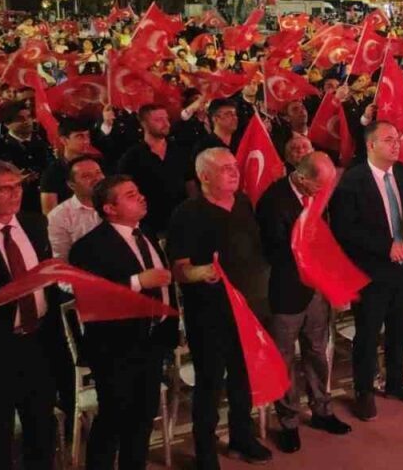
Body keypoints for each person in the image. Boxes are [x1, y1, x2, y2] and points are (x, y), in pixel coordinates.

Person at [166, 148, 273, 468]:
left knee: (243, 378)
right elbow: (178, 269)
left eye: (235, 167)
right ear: (205, 176)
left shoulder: (243, 203)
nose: (234, 172)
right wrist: (201, 272)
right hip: (210, 313)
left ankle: (242, 437)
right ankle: (205, 450)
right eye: (225, 168)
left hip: (250, 308)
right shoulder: (187, 213)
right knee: (210, 382)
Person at [68, 175, 177, 470]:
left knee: (143, 419)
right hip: (115, 347)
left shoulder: (147, 233)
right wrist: (137, 281)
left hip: (152, 340)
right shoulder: (88, 247)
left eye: (138, 191)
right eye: (130, 195)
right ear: (110, 209)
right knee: (114, 420)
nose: (141, 197)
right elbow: (90, 296)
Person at [256, 152, 352, 453]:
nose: (322, 192)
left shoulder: (316, 196)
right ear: (301, 177)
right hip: (286, 292)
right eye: (318, 185)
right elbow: (275, 252)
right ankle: (288, 422)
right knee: (284, 359)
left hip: (315, 291)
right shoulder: (274, 201)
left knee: (317, 351)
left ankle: (321, 409)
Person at [329, 121, 403, 420]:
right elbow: (345, 229)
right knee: (368, 333)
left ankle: (396, 381)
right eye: (388, 140)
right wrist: (385, 246)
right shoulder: (352, 181)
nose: (396, 145)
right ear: (371, 145)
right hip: (370, 271)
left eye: (397, 139)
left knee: (401, 327)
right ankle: (364, 391)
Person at [0, 160, 60, 470]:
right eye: (4, 188)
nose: (14, 193)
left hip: (39, 340)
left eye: (18, 185)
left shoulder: (35, 224)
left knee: (40, 426)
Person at [117, 104, 192, 242]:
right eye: (158, 120)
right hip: (151, 226)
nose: (166, 124)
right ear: (144, 124)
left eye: (166, 119)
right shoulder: (131, 157)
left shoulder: (180, 150)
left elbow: (190, 182)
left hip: (184, 220)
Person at [0, 101, 52, 216]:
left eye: (29, 117)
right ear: (7, 124)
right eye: (19, 118)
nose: (26, 121)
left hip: (43, 203)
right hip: (14, 206)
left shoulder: (44, 142)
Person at [45, 155, 104, 261]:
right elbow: (61, 260)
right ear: (71, 185)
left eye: (98, 173)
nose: (97, 179)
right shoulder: (58, 216)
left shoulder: (117, 201)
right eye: (86, 176)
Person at [39, 118, 94, 213]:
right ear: (64, 140)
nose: (86, 141)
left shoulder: (95, 164)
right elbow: (49, 213)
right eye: (80, 137)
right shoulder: (52, 173)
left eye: (87, 136)